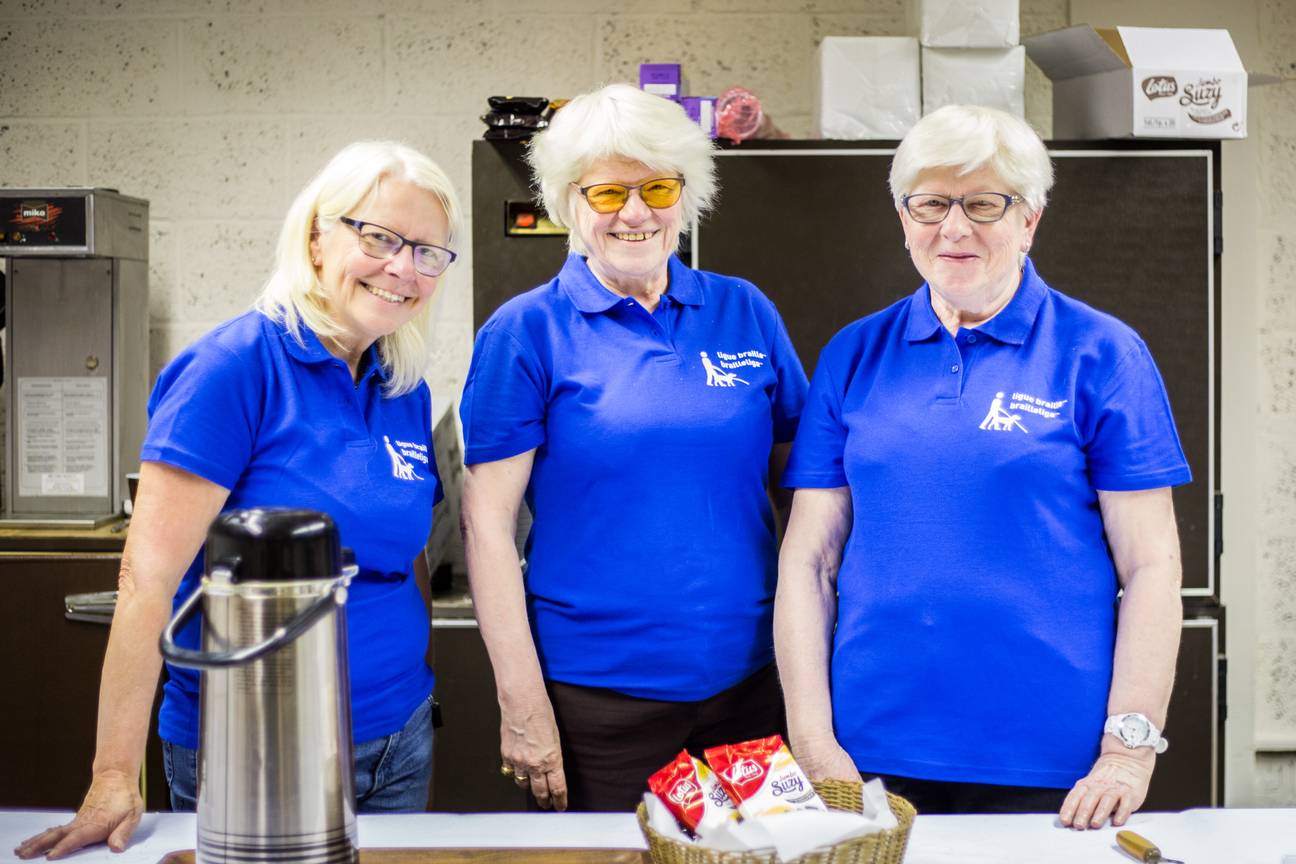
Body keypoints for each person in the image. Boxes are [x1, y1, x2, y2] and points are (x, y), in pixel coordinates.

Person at [16, 140, 462, 859]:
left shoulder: (400, 383)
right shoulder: (234, 369)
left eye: (426, 251)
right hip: (252, 748)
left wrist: (409, 691)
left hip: (397, 737)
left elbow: (403, 555)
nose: (401, 267)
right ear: (318, 235)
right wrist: (111, 775)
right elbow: (147, 580)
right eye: (379, 237)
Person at [774, 104, 1190, 830]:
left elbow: (1152, 566)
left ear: (1030, 217)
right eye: (931, 203)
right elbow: (809, 561)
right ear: (904, 217)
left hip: (1056, 766)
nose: (954, 228)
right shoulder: (853, 354)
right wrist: (813, 741)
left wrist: (1128, 750)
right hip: (870, 753)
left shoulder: (1103, 354)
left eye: (984, 203)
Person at [460, 83, 809, 812]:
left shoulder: (744, 310)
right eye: (607, 192)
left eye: (656, 186)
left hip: (750, 687)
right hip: (598, 704)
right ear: (567, 202)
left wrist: (812, 678)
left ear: (687, 192)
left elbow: (803, 496)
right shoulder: (526, 333)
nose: (636, 212)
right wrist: (523, 706)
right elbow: (485, 530)